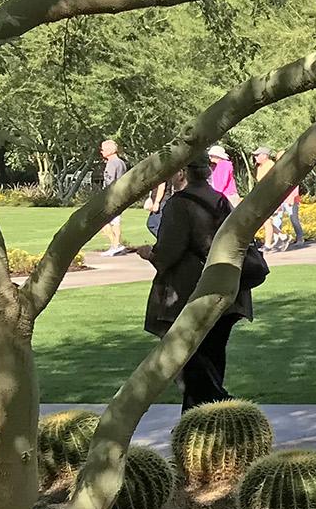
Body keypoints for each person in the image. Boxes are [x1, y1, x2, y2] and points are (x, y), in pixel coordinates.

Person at [142, 157, 258, 410]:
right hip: (226, 290)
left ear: (183, 172)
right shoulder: (221, 200)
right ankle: (201, 417)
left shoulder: (179, 205)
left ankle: (221, 404)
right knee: (212, 356)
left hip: (191, 292)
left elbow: (168, 253)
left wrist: (149, 253)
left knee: (192, 360)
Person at [100, 139, 129, 256]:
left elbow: (110, 182)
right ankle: (116, 245)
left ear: (109, 150)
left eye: (103, 149)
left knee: (106, 222)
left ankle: (115, 245)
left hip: (113, 197)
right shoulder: (121, 162)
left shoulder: (112, 163)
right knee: (114, 221)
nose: (101, 151)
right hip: (119, 196)